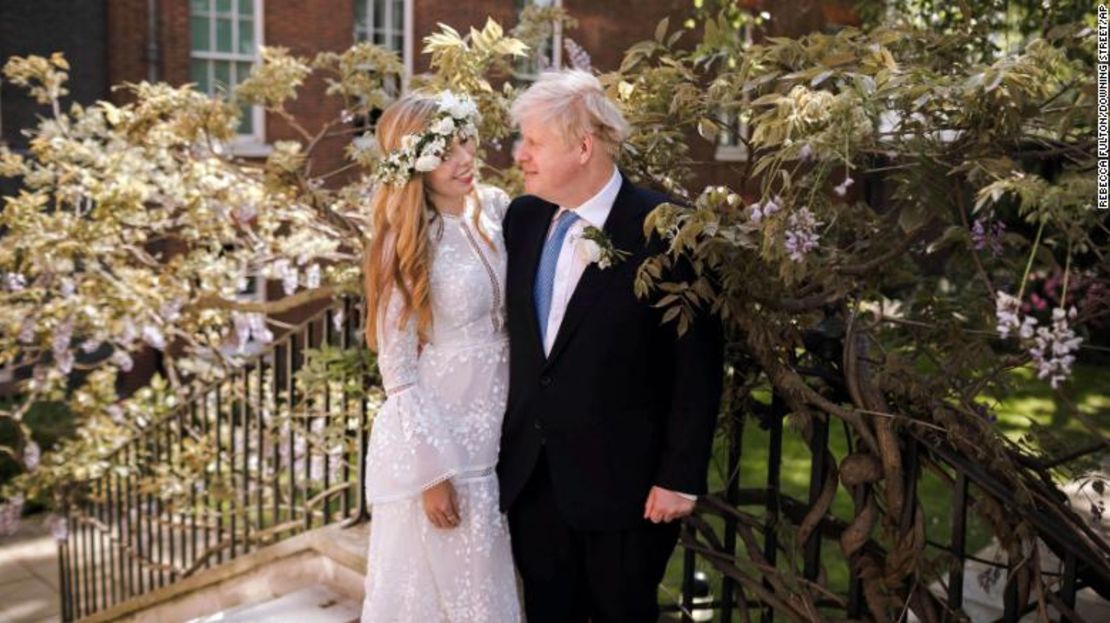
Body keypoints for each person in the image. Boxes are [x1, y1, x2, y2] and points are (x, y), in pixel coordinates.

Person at [497, 69, 724, 623]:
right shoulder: (523, 220)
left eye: (533, 142)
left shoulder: (667, 231)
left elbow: (698, 366)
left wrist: (679, 476)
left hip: (627, 491)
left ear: (583, 146)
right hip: (533, 481)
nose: (519, 155)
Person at [360, 91, 521, 623]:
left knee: (493, 582)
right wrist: (431, 474)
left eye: (467, 142)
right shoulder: (405, 241)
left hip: (503, 423)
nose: (465, 159)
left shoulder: (496, 208)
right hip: (444, 439)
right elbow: (399, 372)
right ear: (416, 165)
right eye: (446, 152)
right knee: (451, 595)